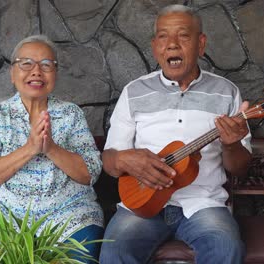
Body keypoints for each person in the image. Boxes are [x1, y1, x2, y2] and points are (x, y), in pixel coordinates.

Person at [99, 4, 251, 264]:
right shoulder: (134, 92)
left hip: (203, 203)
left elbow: (240, 168)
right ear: (154, 46)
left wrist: (232, 145)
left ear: (201, 44)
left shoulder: (226, 92)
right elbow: (111, 160)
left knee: (225, 248)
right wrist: (124, 160)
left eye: (183, 35)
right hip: (141, 203)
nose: (172, 44)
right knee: (115, 252)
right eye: (163, 36)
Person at [0, 35, 104, 262]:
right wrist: (30, 148)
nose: (36, 71)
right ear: (12, 73)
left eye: (46, 65)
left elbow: (90, 173)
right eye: (26, 63)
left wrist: (50, 148)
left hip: (68, 218)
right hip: (1, 222)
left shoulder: (71, 113)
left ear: (55, 74)